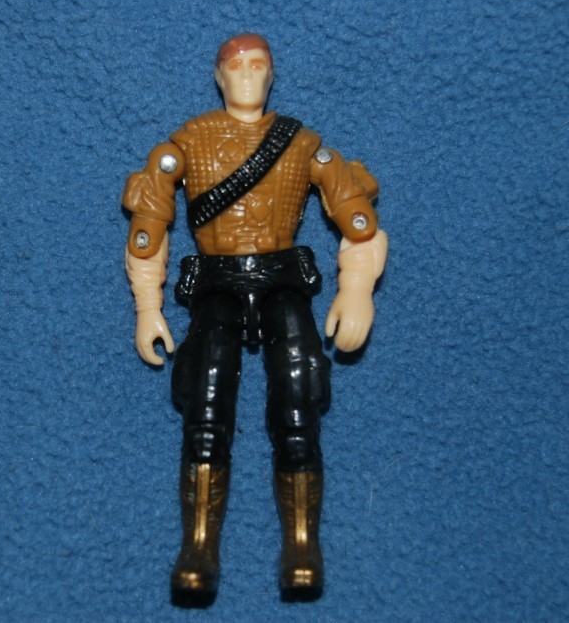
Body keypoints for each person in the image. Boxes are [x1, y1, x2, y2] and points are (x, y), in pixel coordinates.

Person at [122, 33, 388, 606]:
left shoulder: (302, 144)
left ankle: (302, 546)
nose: (247, 76)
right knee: (205, 404)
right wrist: (147, 307)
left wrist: (357, 289)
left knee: (298, 402)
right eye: (236, 67)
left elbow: (358, 219)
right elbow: (149, 225)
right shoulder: (187, 142)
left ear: (271, 75)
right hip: (216, 283)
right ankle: (198, 546)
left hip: (281, 280)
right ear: (219, 77)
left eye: (258, 66)